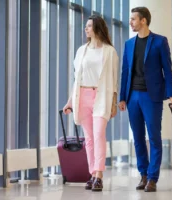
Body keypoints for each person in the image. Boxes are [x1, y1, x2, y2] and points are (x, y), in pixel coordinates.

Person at [118, 7, 172, 192]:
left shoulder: (160, 42)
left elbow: (167, 70)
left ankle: (153, 177)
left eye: (133, 19)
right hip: (132, 97)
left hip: (151, 96)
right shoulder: (129, 44)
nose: (131, 22)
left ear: (143, 20)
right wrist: (122, 97)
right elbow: (125, 72)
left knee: (154, 137)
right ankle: (143, 174)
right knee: (137, 138)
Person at [63, 15, 119, 192]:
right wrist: (70, 102)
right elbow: (76, 79)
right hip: (83, 97)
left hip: (101, 96)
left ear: (97, 28)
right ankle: (92, 173)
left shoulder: (110, 51)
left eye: (89, 26)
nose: (86, 29)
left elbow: (114, 80)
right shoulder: (81, 51)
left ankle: (99, 175)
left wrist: (113, 103)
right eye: (86, 26)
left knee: (98, 134)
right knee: (89, 139)